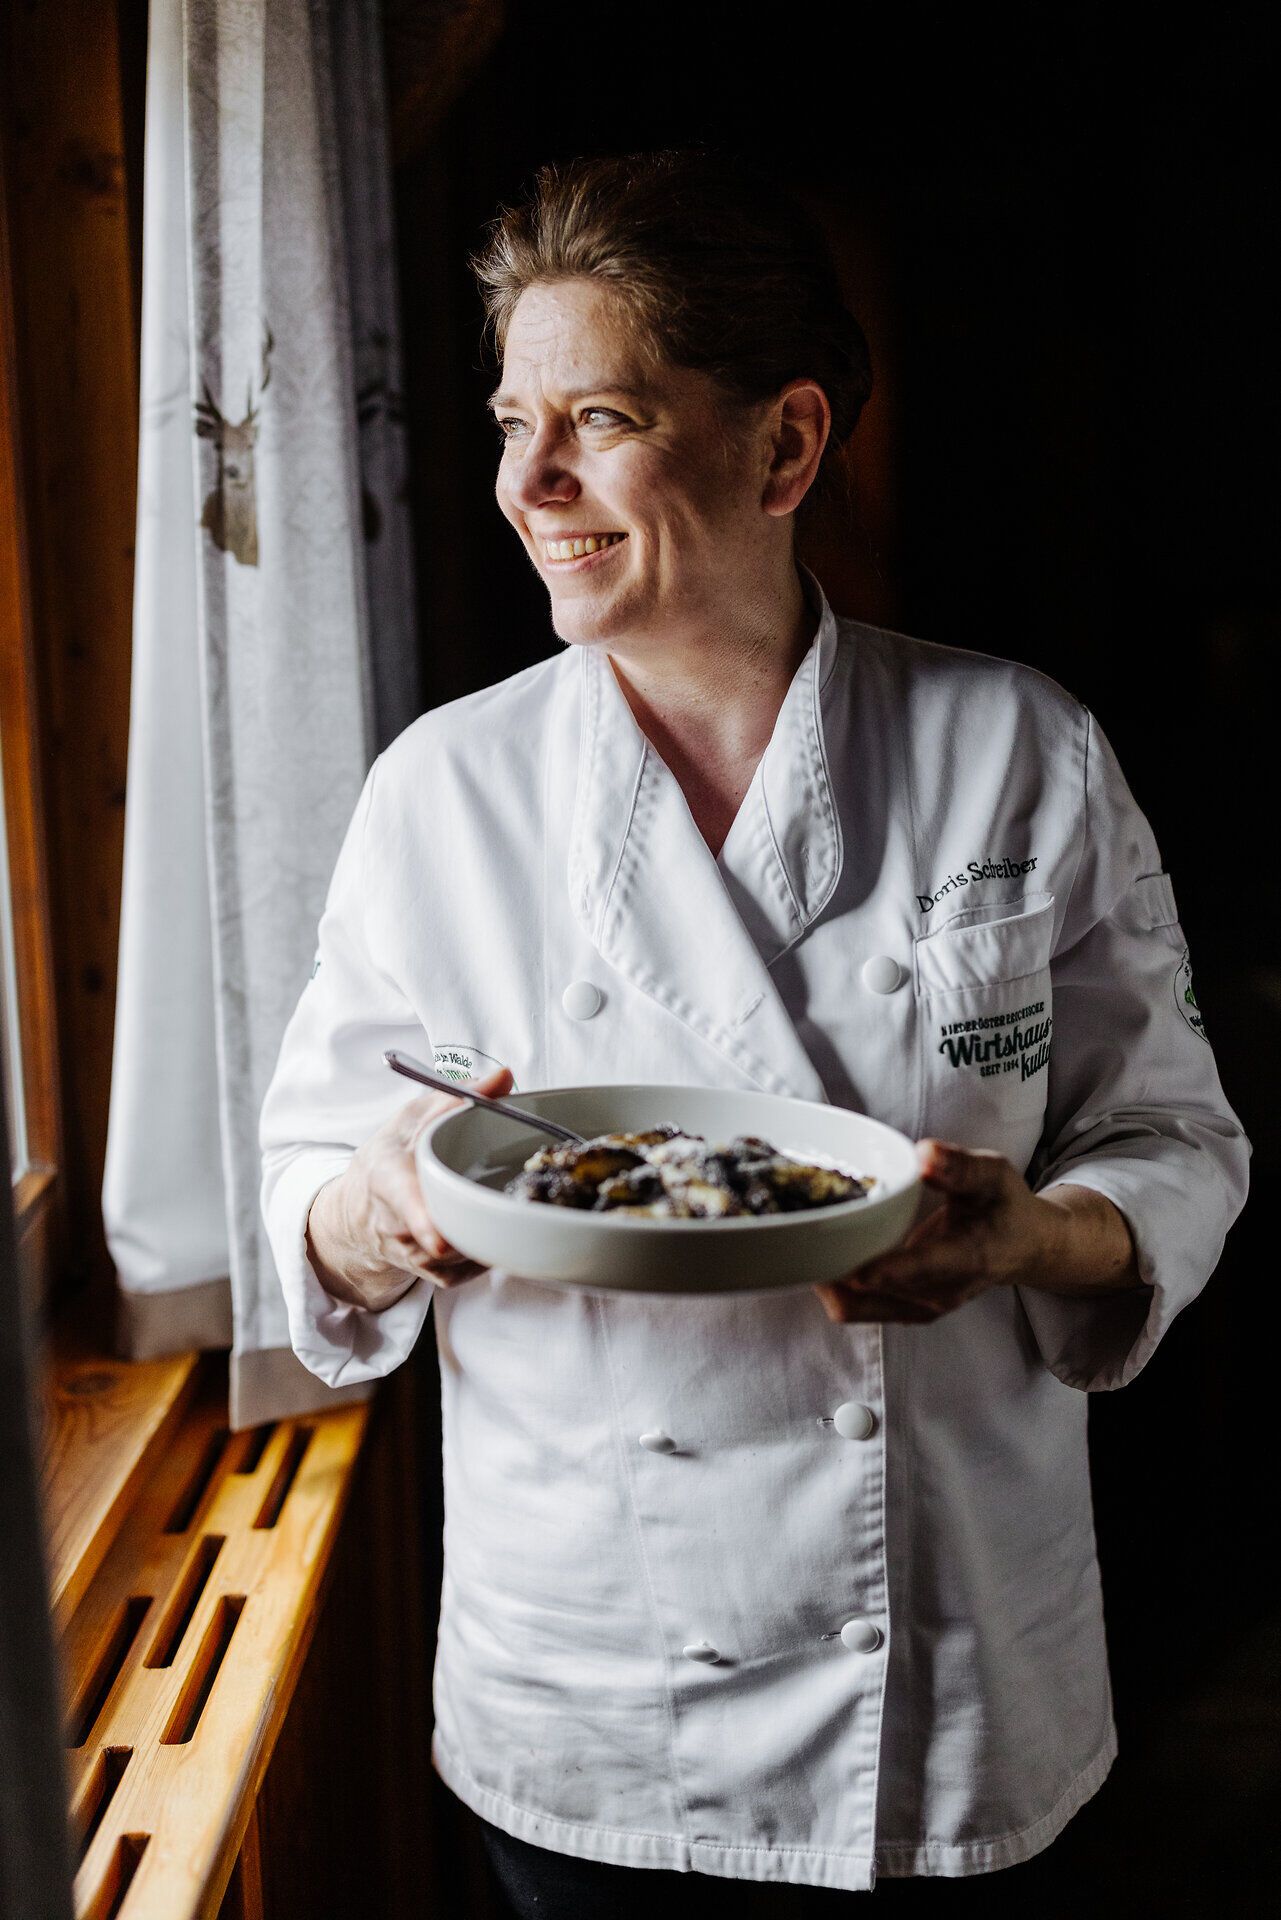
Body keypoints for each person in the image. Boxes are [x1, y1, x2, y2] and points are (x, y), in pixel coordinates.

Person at [258, 149, 1249, 1913]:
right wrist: (384, 1200)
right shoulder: (442, 793)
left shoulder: (1012, 749)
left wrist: (1026, 1237)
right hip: (599, 1683)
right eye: (513, 424)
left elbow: (1173, 1137)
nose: (530, 484)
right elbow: (312, 1192)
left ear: (784, 446)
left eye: (599, 420)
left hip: (943, 1671)